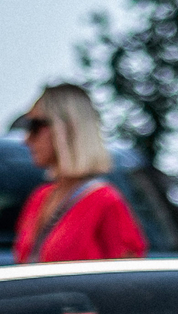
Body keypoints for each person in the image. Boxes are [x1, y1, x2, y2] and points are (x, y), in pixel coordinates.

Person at [12, 85, 143, 267]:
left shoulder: (105, 201)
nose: (26, 139)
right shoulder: (40, 198)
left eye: (34, 126)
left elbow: (128, 283)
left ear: (67, 128)